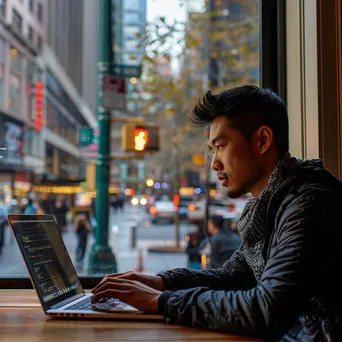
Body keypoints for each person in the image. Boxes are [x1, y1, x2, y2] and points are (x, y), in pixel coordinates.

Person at [90, 85, 342, 341]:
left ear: (263, 140)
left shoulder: (309, 204)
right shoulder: (271, 205)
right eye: (213, 151)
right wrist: (162, 282)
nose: (214, 164)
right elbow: (234, 277)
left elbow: (267, 311)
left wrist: (161, 301)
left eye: (220, 146)